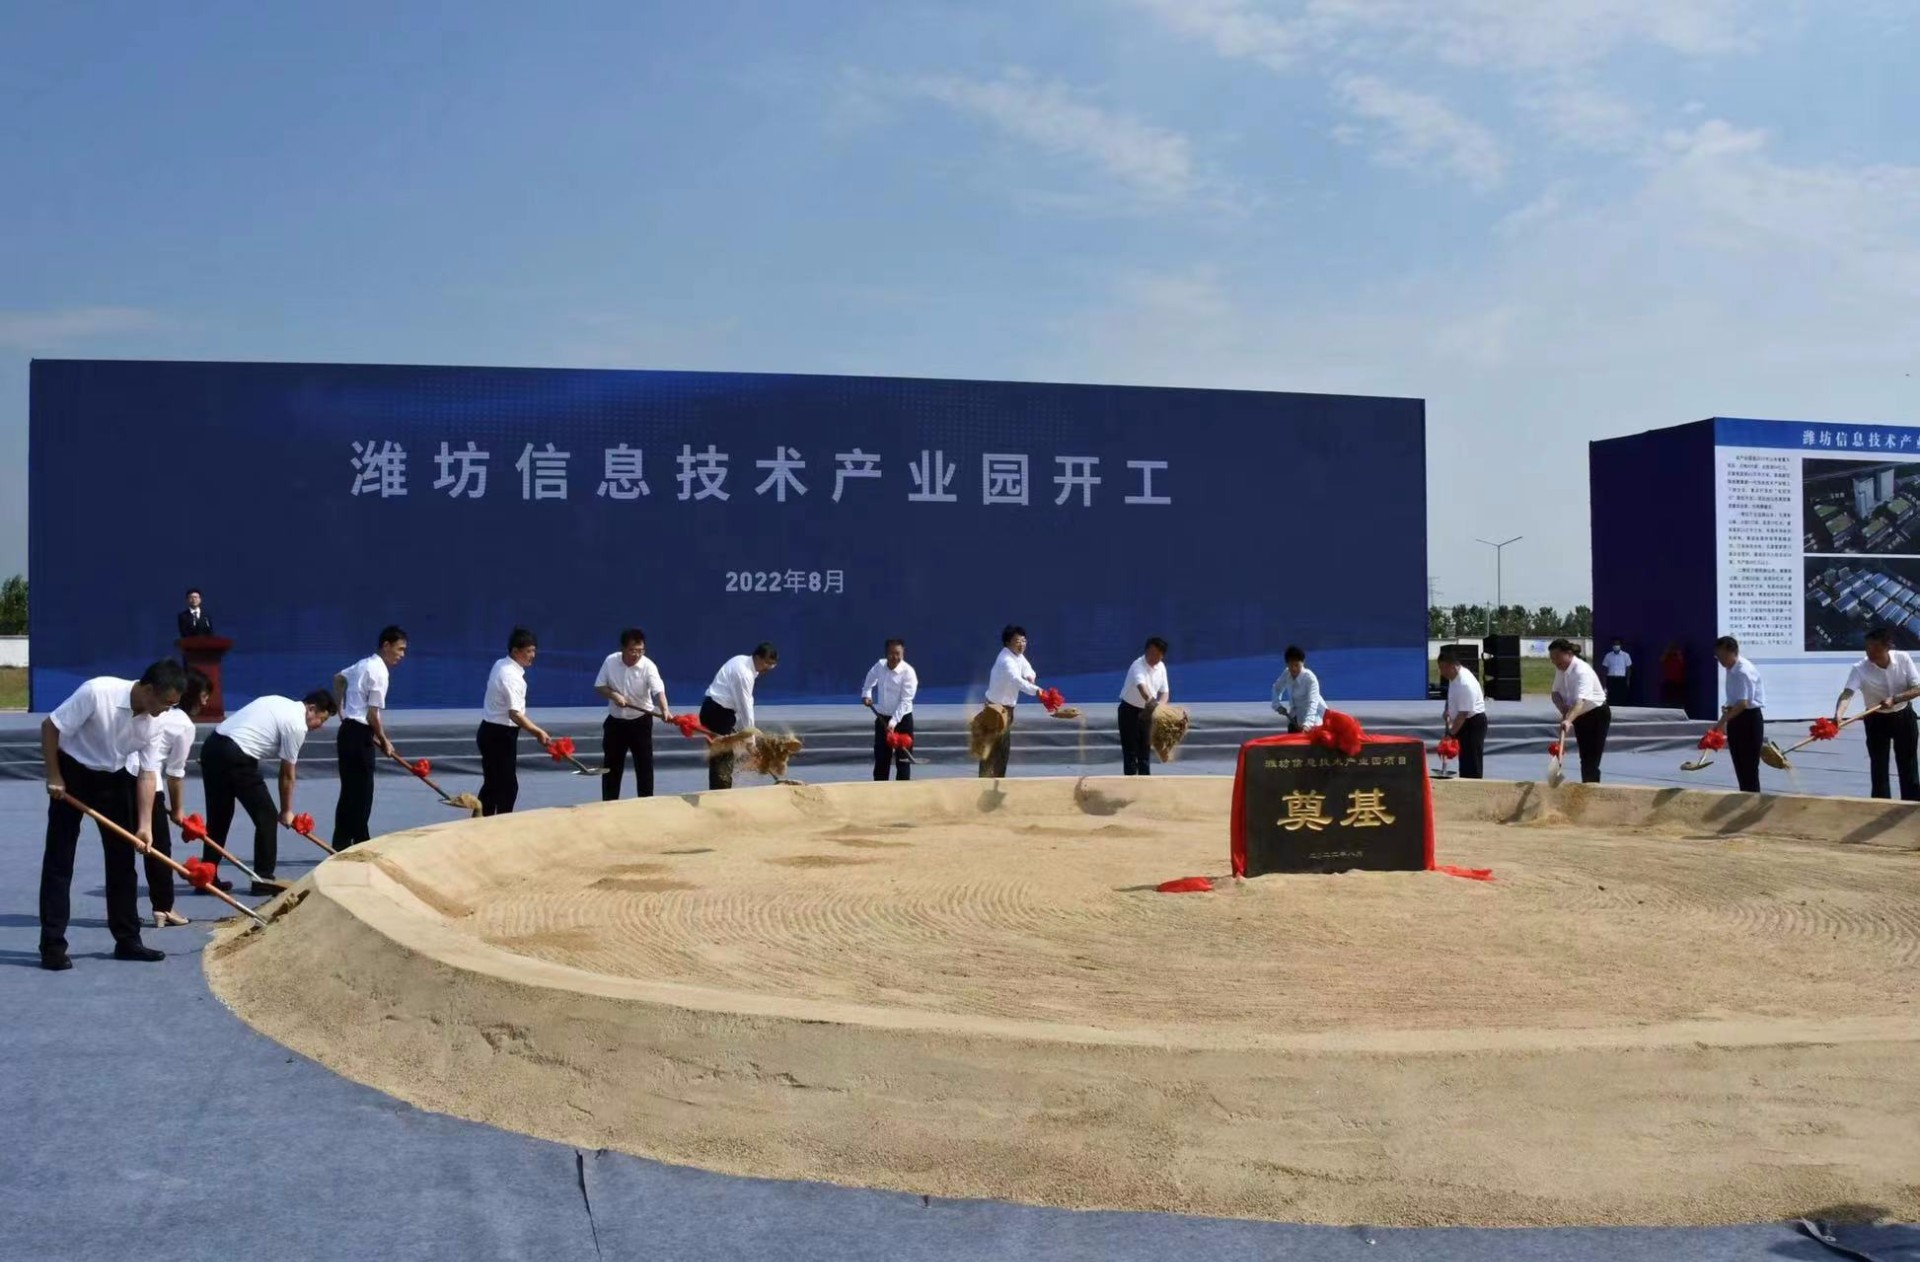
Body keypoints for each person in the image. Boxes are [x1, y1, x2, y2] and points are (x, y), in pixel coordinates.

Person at [38, 660, 187, 970]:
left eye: (173, 705)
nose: (167, 711)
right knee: (59, 861)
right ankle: (52, 945)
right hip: (72, 772)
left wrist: (145, 826)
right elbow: (50, 727)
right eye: (166, 703)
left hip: (115, 780)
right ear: (149, 690)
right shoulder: (97, 692)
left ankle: (128, 940)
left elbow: (148, 773)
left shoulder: (157, 721)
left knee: (122, 863)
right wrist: (54, 775)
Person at [200, 690, 338, 893]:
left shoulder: (277, 700)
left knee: (218, 818)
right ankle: (263, 879)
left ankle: (206, 877)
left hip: (212, 747)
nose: (320, 726)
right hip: (237, 756)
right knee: (266, 817)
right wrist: (286, 811)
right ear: (311, 708)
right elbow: (287, 774)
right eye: (322, 719)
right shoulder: (296, 725)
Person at [142, 668, 212, 927]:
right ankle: (163, 907)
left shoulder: (148, 710)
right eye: (204, 695)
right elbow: (175, 773)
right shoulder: (182, 724)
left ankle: (123, 914)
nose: (206, 702)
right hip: (151, 785)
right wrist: (178, 810)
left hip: (124, 780)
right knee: (159, 849)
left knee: (124, 849)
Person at [332, 625, 407, 848]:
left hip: (347, 732)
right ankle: (359, 842)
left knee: (349, 791)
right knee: (363, 793)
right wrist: (384, 740)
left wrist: (341, 709)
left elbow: (338, 678)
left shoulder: (363, 664)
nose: (402, 655)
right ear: (386, 645)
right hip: (360, 734)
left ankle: (343, 842)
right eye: (400, 649)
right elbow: (372, 715)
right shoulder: (380, 672)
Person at [1834, 626, 1920, 801]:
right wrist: (1839, 714)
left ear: (1888, 646)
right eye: (1867, 647)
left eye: (1875, 647)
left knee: (1908, 764)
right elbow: (1847, 694)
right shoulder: (1860, 668)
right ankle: (1880, 804)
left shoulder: (1903, 659)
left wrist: (1895, 699)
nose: (1870, 652)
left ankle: (1912, 806)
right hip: (1876, 720)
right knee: (1878, 766)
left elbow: (1918, 688)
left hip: (1903, 716)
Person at [478, 628, 551, 816]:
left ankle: (481, 822)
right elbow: (515, 714)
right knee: (507, 787)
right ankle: (500, 823)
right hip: (499, 736)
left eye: (534, 650)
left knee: (493, 784)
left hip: (491, 732)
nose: (532, 655)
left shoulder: (501, 664)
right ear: (515, 651)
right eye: (528, 651)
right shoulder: (511, 676)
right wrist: (538, 732)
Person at [595, 628, 670, 801]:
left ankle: (646, 803)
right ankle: (609, 804)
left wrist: (665, 710)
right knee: (611, 767)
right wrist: (614, 695)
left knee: (644, 767)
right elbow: (599, 686)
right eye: (632, 650)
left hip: (640, 722)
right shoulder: (610, 661)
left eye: (640, 650)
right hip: (616, 722)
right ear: (622, 648)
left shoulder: (648, 666)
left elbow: (659, 691)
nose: (637, 655)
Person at [701, 643, 778, 790]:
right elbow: (745, 708)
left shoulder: (743, 661)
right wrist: (750, 741)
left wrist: (745, 735)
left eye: (772, 665)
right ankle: (720, 795)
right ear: (757, 657)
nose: (768, 668)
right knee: (723, 756)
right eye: (767, 663)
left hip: (720, 711)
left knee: (726, 753)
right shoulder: (744, 674)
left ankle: (722, 790)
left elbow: (744, 704)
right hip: (716, 713)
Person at [980, 625, 1042, 778]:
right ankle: (985, 781)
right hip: (995, 710)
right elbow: (1016, 680)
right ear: (1008, 642)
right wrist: (1037, 691)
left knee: (1001, 749)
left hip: (1007, 710)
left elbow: (1027, 668)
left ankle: (997, 779)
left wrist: (1030, 676)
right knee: (993, 748)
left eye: (1024, 641)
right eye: (1017, 641)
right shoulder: (1006, 660)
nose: (1022, 645)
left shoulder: (1017, 655)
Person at [1549, 638, 1609, 783]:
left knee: (1591, 758)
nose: (1555, 661)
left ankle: (1591, 788)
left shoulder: (1582, 671)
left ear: (1569, 654)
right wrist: (1563, 708)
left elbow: (1580, 702)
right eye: (1552, 658)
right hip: (1578, 714)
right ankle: (1587, 784)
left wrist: (1568, 720)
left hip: (1596, 713)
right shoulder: (1560, 668)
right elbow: (1555, 693)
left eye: (1557, 657)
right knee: (1584, 756)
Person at [1712, 636, 1765, 794]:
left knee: (1749, 766)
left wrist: (1721, 723)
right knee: (1739, 765)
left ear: (1732, 652)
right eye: (1717, 656)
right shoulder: (1731, 668)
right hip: (1736, 718)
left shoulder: (1742, 671)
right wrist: (1725, 712)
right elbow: (1735, 700)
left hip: (1748, 720)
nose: (1720, 660)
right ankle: (1744, 796)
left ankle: (1752, 799)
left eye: (1722, 656)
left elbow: (1743, 703)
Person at [861, 638, 918, 781]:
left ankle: (903, 791)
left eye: (898, 654)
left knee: (903, 762)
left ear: (903, 653)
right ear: (886, 654)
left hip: (902, 721)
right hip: (882, 718)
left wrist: (893, 723)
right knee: (881, 760)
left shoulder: (908, 673)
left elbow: (906, 701)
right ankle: (880, 790)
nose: (895, 657)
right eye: (892, 653)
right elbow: (870, 679)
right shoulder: (880, 666)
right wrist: (866, 694)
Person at [1117, 637, 1169, 776]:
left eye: (1157, 655)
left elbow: (1165, 692)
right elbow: (1143, 689)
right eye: (1151, 653)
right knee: (1130, 752)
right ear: (1146, 651)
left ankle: (1145, 784)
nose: (1153, 657)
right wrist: (1154, 704)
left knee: (1145, 752)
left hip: (1148, 712)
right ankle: (1130, 785)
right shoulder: (1137, 665)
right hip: (1129, 711)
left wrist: (1161, 707)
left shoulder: (1161, 667)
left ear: (1162, 655)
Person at [1438, 647, 1487, 779]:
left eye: (1444, 668)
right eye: (1440, 668)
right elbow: (1452, 695)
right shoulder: (1454, 677)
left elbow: (1463, 714)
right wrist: (1447, 709)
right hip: (1464, 722)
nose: (1442, 672)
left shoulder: (1465, 684)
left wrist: (1450, 734)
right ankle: (1464, 782)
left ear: (1453, 666)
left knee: (1472, 760)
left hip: (1473, 723)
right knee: (1464, 760)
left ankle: (1475, 785)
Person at [1271, 646, 1325, 733]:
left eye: (1296, 665)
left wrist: (1308, 724)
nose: (1293, 669)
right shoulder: (1287, 673)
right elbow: (1276, 688)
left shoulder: (1310, 678)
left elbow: (1313, 702)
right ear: (1287, 664)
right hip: (1294, 718)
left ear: (1303, 662)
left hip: (1314, 720)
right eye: (1290, 665)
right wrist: (1277, 705)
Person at [1601, 637, 1633, 707]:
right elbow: (1605, 669)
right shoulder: (1608, 655)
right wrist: (1604, 681)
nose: (1616, 646)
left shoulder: (1626, 655)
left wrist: (1628, 680)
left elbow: (1628, 669)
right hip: (1611, 679)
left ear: (1621, 645)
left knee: (1621, 697)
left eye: (1617, 644)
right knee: (1611, 697)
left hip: (1621, 679)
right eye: (1614, 644)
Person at [1659, 642, 1687, 709]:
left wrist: (1678, 653)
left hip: (1678, 682)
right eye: (1671, 648)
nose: (1673, 650)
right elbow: (1661, 660)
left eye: (1674, 648)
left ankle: (1680, 708)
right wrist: (1667, 652)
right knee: (1667, 700)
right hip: (1669, 681)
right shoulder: (1667, 658)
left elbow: (1683, 662)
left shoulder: (1679, 658)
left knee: (1679, 699)